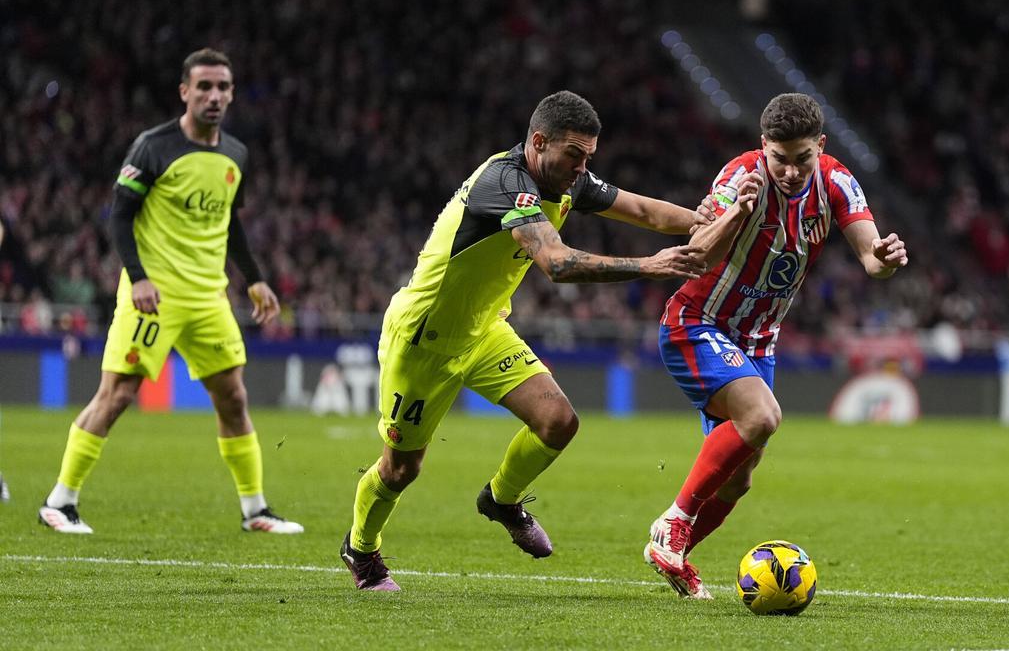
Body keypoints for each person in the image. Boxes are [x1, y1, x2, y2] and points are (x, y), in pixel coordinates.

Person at [340, 90, 710, 590]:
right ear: (539, 142)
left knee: (558, 422)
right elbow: (555, 263)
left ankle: (501, 499)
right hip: (424, 338)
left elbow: (643, 211)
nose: (582, 168)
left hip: (484, 328)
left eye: (588, 158)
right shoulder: (503, 182)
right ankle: (361, 548)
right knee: (401, 469)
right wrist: (648, 266)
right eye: (574, 155)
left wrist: (709, 220)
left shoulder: (567, 178)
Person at [643, 93, 908, 598]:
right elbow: (697, 254)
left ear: (820, 147)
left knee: (737, 482)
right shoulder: (740, 176)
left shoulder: (836, 182)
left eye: (801, 159)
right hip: (696, 323)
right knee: (762, 416)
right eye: (779, 159)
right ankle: (674, 523)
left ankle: (672, 553)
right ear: (763, 146)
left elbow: (873, 261)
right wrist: (734, 215)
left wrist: (886, 256)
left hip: (758, 342)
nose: (789, 172)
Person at [37, 48, 302, 535]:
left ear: (232, 94)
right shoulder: (153, 147)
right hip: (155, 292)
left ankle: (255, 510)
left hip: (208, 297)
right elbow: (118, 216)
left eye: (222, 87)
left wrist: (255, 277)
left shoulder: (235, 154)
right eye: (204, 87)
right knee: (117, 394)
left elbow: (230, 224)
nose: (214, 96)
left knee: (234, 398)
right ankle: (60, 502)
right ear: (184, 92)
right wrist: (137, 277)